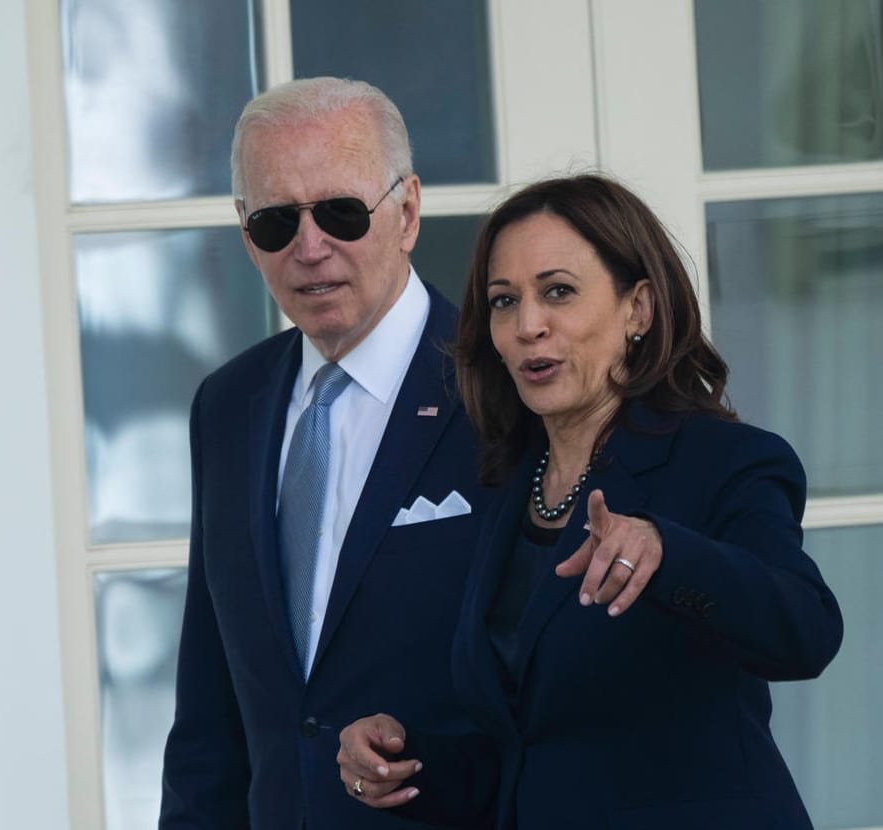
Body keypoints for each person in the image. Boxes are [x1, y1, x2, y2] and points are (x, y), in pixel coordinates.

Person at [337, 174, 844, 829]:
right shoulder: (504, 488)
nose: (526, 326)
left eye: (557, 292)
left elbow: (805, 633)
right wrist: (401, 763)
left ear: (637, 308)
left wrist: (668, 554)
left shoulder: (721, 459)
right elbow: (531, 758)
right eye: (502, 301)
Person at [159, 77, 498, 830]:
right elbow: (209, 705)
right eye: (277, 222)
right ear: (247, 234)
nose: (310, 249)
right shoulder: (228, 403)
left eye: (341, 212)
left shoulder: (502, 391)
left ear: (405, 211)